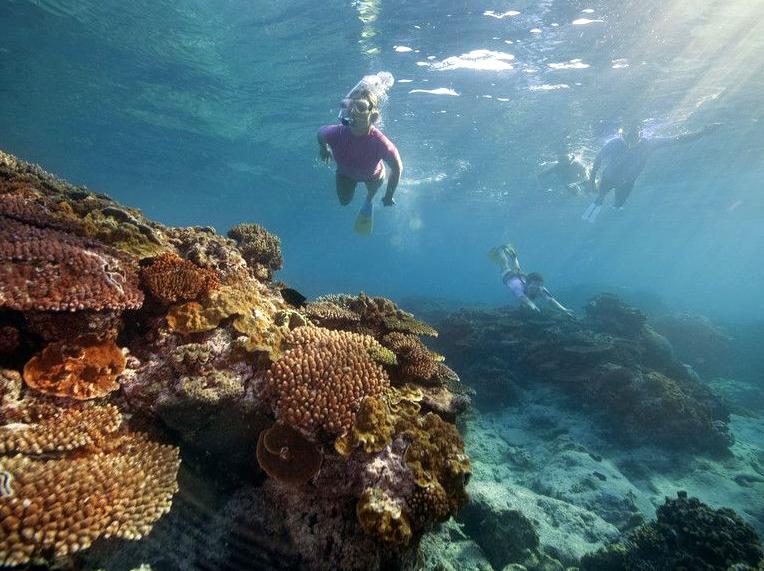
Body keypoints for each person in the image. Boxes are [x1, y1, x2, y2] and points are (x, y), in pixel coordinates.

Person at [317, 72, 403, 235]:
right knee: (344, 201)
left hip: (374, 176)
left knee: (371, 193)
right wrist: (324, 148)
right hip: (345, 175)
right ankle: (367, 197)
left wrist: (389, 195)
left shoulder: (380, 142)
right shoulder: (337, 133)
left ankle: (369, 201)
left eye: (361, 107)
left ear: (374, 116)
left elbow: (397, 167)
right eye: (349, 106)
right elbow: (320, 133)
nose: (353, 112)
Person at [582, 122, 721, 222]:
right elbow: (598, 159)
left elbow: (678, 139)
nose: (630, 140)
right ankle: (598, 201)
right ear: (622, 134)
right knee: (600, 197)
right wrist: (591, 180)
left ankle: (604, 210)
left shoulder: (649, 143)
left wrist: (702, 132)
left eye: (634, 136)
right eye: (627, 136)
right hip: (609, 178)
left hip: (625, 182)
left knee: (617, 205)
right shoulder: (615, 143)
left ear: (640, 134)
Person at [488, 244, 574, 317]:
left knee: (517, 269)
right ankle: (501, 250)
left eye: (539, 286)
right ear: (526, 285)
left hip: (522, 277)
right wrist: (532, 306)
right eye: (533, 286)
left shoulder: (540, 289)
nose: (536, 289)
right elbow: (523, 298)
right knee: (505, 265)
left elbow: (551, 300)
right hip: (509, 277)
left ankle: (514, 256)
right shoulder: (517, 287)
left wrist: (564, 310)